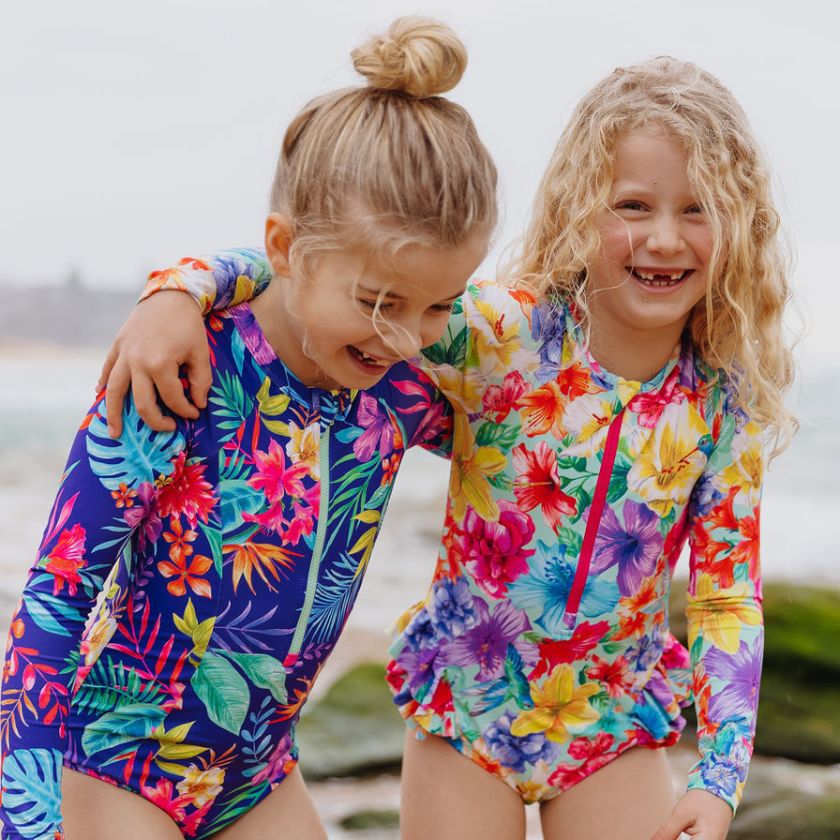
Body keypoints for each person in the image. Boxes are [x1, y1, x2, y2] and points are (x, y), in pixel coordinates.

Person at [90, 58, 796, 840]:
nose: (664, 238)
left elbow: (726, 595)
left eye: (697, 210)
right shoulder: (505, 337)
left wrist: (722, 776)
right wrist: (182, 287)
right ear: (578, 207)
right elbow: (335, 268)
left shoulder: (722, 401)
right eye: (633, 205)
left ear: (740, 223)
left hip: (613, 720)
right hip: (466, 706)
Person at [0, 17, 497, 840]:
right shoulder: (180, 367)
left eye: (438, 304)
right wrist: (29, 819)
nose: (406, 334)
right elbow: (56, 597)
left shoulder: (397, 386)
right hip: (122, 763)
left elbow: (537, 419)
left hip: (258, 775)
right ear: (286, 248)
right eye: (378, 302)